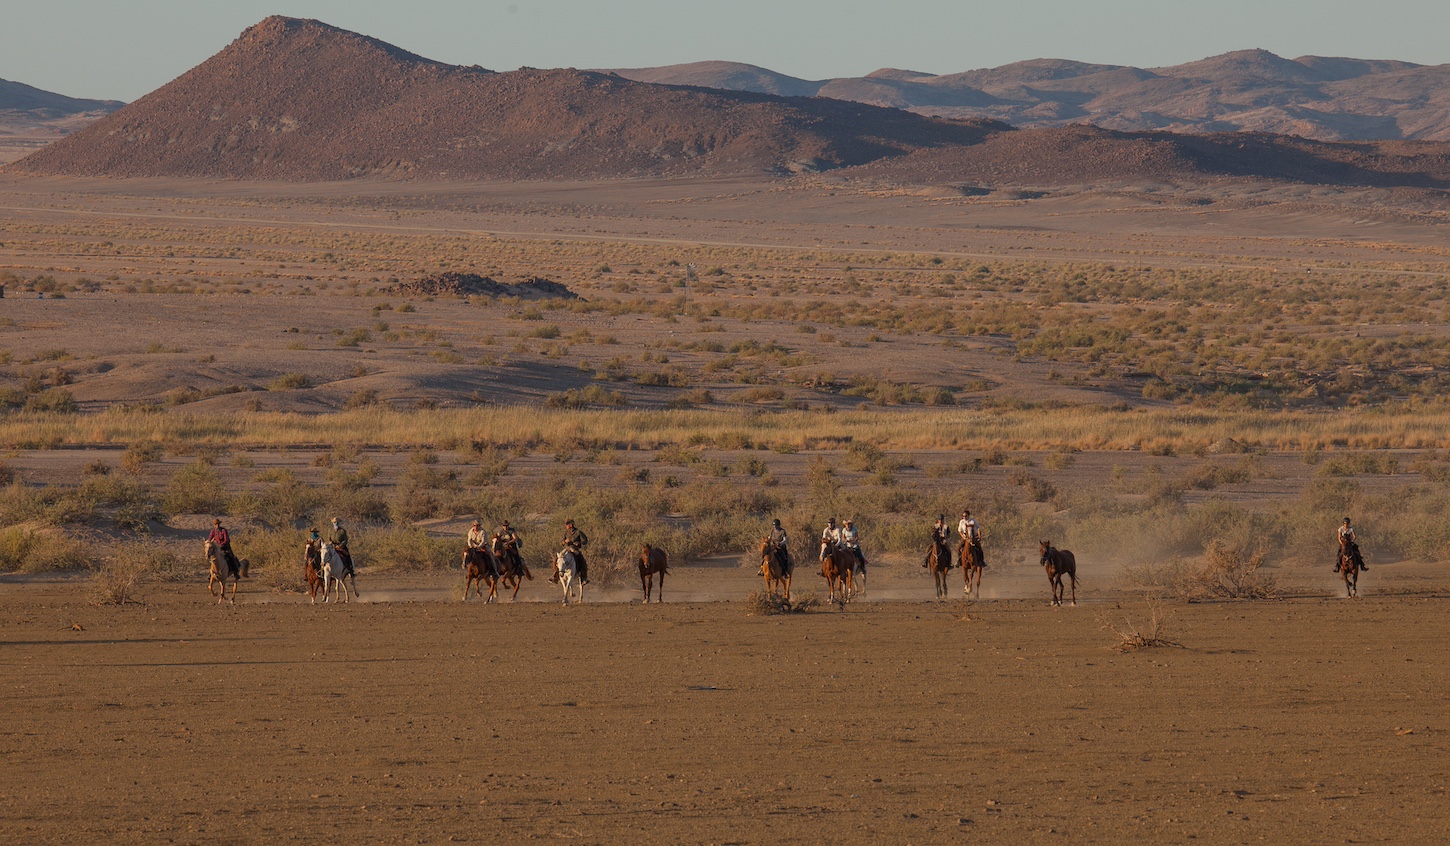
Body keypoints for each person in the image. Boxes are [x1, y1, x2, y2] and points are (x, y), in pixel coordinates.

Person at [556, 518, 590, 585]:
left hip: (575, 549)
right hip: (567, 549)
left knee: (582, 560)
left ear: (571, 525)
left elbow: (585, 541)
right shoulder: (566, 532)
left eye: (567, 525)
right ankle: (555, 576)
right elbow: (562, 542)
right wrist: (564, 541)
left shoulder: (578, 532)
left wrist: (579, 543)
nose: (566, 526)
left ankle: (584, 578)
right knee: (558, 558)